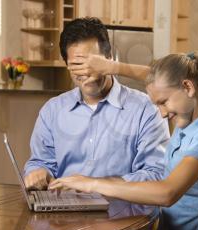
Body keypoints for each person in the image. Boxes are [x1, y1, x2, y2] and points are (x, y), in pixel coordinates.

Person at [48, 51, 198, 230]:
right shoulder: (190, 117)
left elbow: (167, 193)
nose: (162, 113)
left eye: (163, 102)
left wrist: (92, 184)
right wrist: (110, 66)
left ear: (188, 87)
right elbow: (160, 79)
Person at [23, 17, 170, 190]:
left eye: (92, 64)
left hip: (125, 213)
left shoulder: (146, 109)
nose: (87, 73)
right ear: (67, 65)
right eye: (77, 65)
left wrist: (94, 186)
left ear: (109, 59)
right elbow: (40, 162)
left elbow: (155, 173)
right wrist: (38, 172)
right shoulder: (52, 110)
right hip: (64, 210)